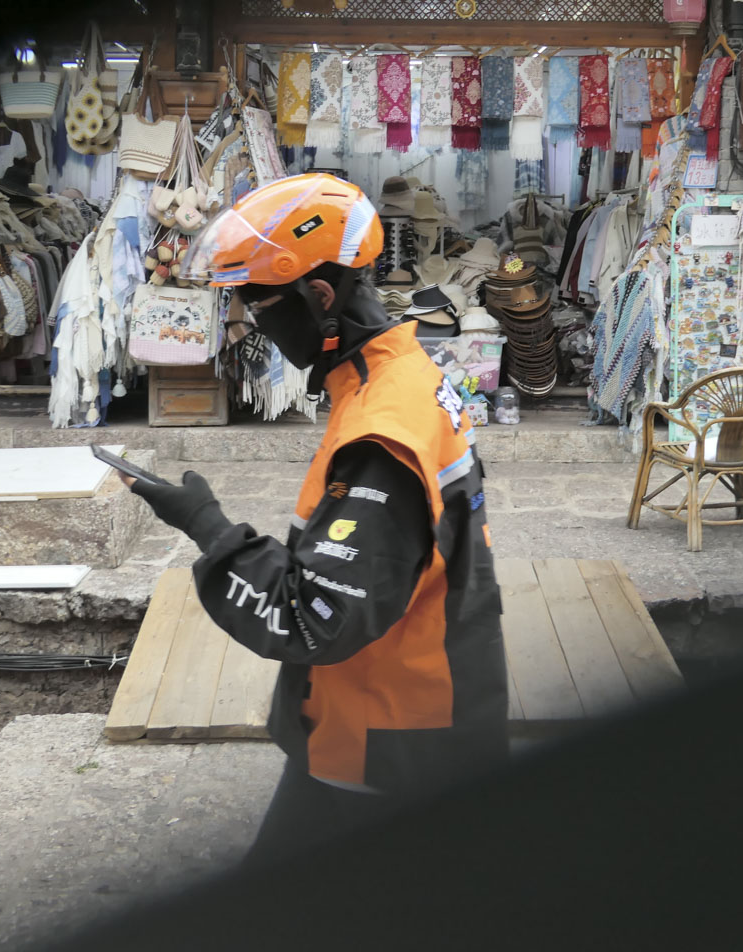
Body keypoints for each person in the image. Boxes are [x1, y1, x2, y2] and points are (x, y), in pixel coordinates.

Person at [124, 173, 508, 859]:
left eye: (262, 310)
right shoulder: (404, 374)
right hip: (391, 717)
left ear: (320, 297)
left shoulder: (383, 432)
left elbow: (313, 617)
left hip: (387, 745)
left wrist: (208, 527)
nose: (259, 329)